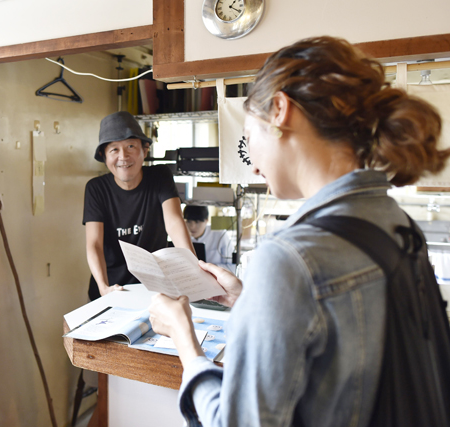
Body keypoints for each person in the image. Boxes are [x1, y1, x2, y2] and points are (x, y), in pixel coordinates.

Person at [148, 36, 449, 427]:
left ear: (279, 111)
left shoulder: (293, 257)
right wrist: (247, 299)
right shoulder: (396, 222)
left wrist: (183, 339)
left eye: (249, 136)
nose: (252, 163)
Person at [83, 111, 194, 300]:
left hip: (154, 287)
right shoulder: (96, 189)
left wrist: (194, 270)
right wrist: (103, 287)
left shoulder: (160, 176)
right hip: (112, 287)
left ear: (145, 150)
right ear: (104, 156)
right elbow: (94, 244)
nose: (123, 156)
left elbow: (174, 223)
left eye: (131, 146)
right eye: (114, 150)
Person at [183, 205, 235, 272]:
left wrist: (208, 267)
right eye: (189, 221)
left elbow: (232, 267)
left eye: (197, 222)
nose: (192, 226)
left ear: (206, 220)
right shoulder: (181, 236)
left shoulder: (220, 235)